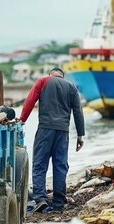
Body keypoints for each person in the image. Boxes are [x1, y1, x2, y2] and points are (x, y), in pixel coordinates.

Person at [20, 67, 85, 213]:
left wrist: (22, 120)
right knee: (60, 166)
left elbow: (30, 101)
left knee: (40, 164)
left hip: (45, 129)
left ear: (51, 74)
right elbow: (78, 111)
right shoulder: (71, 87)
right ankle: (58, 203)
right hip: (63, 132)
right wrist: (80, 135)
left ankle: (40, 199)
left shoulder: (43, 81)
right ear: (62, 76)